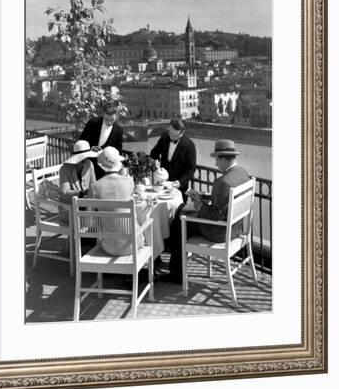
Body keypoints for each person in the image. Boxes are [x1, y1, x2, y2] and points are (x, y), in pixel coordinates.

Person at [157, 139, 250, 284]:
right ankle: (175, 264)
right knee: (182, 213)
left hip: (219, 232)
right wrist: (207, 197)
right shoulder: (243, 173)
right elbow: (224, 203)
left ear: (223, 158)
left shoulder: (223, 182)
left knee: (179, 221)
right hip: (236, 228)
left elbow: (213, 215)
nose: (215, 164)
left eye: (216, 160)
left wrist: (199, 205)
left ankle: (176, 273)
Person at [88, 147, 143, 256]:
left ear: (101, 165)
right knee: (144, 220)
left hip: (108, 245)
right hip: (132, 244)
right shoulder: (129, 182)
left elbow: (89, 222)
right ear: (118, 164)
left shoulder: (95, 187)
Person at [150, 118, 196, 196]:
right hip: (162, 184)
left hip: (179, 187)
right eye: (170, 133)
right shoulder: (165, 137)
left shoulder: (189, 145)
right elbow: (154, 153)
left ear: (182, 133)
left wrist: (180, 182)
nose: (171, 137)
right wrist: (156, 161)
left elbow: (191, 169)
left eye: (175, 136)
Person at [80, 103, 123, 179]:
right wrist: (91, 148)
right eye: (106, 119)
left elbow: (118, 149)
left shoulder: (119, 129)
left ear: (116, 117)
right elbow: (82, 140)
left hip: (106, 168)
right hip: (89, 164)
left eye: (112, 120)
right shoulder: (92, 123)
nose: (109, 123)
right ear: (104, 115)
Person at [59, 140, 99, 204]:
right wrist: (81, 193)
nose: (86, 160)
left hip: (87, 203)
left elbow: (93, 184)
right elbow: (64, 192)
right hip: (69, 205)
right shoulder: (64, 169)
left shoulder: (89, 164)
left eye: (87, 157)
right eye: (83, 158)